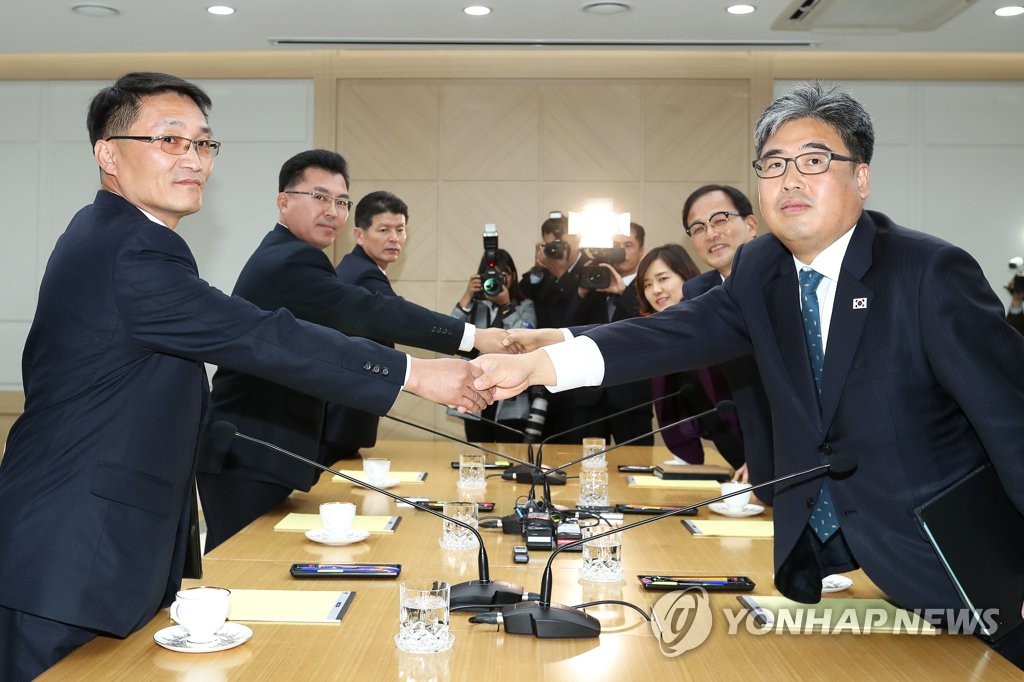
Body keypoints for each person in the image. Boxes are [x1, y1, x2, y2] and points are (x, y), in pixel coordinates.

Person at [476, 81, 1024, 669]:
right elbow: (673, 333)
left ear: (861, 178)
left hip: (962, 566)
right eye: (774, 164)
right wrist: (544, 360)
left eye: (814, 161)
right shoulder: (763, 269)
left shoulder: (928, 272)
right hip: (846, 573)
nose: (790, 180)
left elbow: (1012, 421)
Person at [0, 73, 491, 682]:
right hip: (69, 550)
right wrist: (416, 374)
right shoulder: (131, 249)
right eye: (169, 140)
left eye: (203, 143)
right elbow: (263, 336)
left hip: (93, 541)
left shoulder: (117, 234)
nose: (193, 159)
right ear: (108, 153)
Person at [196, 151, 510, 553]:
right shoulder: (290, 260)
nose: (333, 211)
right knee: (243, 564)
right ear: (283, 202)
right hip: (249, 448)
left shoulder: (295, 255)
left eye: (341, 201)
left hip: (261, 447)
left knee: (257, 562)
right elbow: (372, 311)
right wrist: (473, 337)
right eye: (319, 197)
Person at [681, 184, 774, 498]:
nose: (711, 233)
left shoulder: (789, 276)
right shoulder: (698, 292)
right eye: (698, 228)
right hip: (750, 443)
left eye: (720, 220)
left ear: (751, 225)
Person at [635, 244, 744, 466]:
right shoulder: (665, 337)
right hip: (729, 449)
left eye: (663, 279)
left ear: (686, 276)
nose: (655, 290)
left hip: (765, 449)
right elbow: (673, 409)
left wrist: (759, 456)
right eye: (647, 284)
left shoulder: (719, 321)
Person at [322, 190, 409, 461]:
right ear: (359, 235)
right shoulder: (365, 276)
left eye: (400, 229)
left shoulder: (356, 267)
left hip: (340, 412)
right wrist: (472, 339)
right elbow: (406, 321)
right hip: (340, 414)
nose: (394, 238)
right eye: (383, 229)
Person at [571, 222, 654, 445]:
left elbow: (651, 325)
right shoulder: (594, 282)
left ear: (642, 251)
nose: (622, 251)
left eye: (628, 245)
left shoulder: (649, 286)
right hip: (590, 393)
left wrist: (623, 292)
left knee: (636, 461)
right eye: (616, 245)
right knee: (586, 460)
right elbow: (567, 328)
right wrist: (581, 292)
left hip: (631, 395)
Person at [451, 248, 537, 441]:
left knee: (509, 452)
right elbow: (449, 332)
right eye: (491, 275)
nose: (497, 280)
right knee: (477, 451)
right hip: (476, 389)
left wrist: (506, 305)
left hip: (511, 397)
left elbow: (527, 339)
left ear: (513, 276)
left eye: (503, 274)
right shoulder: (475, 305)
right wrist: (467, 296)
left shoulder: (525, 305)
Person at [518, 212, 582, 442]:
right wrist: (538, 268)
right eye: (549, 245)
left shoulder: (593, 268)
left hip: (577, 367)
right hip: (546, 365)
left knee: (574, 438)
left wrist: (561, 275)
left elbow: (584, 311)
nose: (555, 249)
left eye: (559, 242)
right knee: (546, 440)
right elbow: (522, 292)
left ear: (576, 238)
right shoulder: (543, 271)